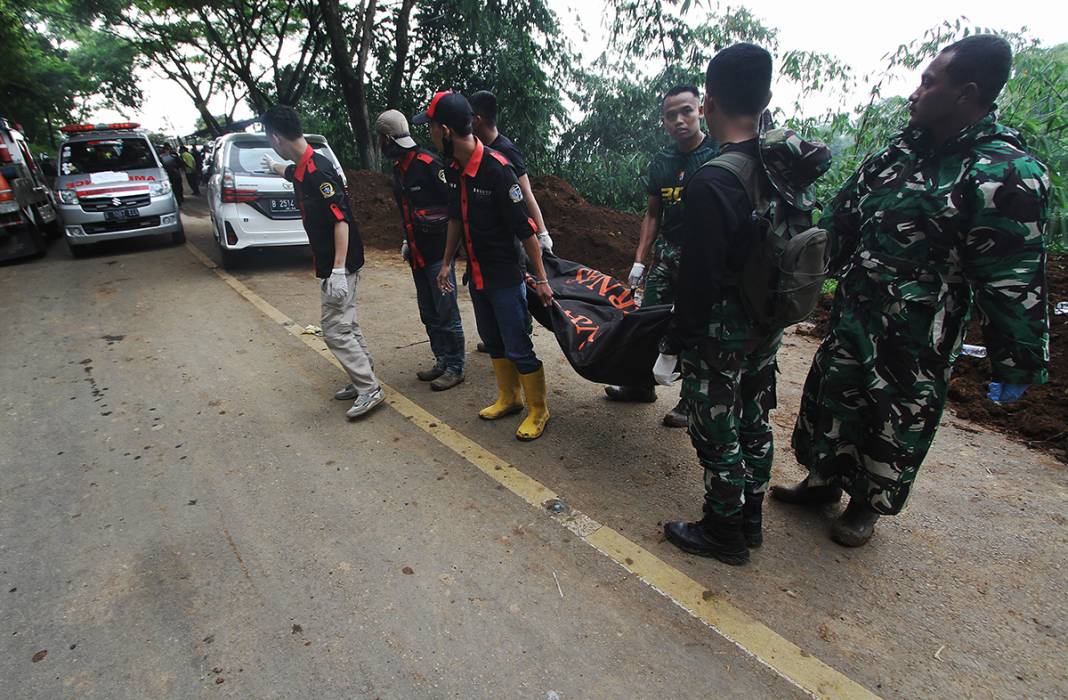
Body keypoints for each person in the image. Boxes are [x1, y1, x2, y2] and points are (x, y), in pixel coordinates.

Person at [774, 35, 1051, 548]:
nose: (915, 93)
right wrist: (796, 269)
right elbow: (840, 220)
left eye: (928, 82)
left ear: (966, 93)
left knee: (894, 415)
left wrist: (1017, 363)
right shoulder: (899, 153)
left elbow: (1013, 280)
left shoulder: (1005, 173)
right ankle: (822, 481)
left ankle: (866, 507)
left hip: (919, 332)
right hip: (856, 310)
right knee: (834, 396)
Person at [659, 43, 831, 565]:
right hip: (767, 319)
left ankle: (723, 531)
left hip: (722, 332)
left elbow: (700, 277)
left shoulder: (714, 179)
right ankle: (750, 518)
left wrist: (678, 341)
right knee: (754, 417)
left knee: (717, 432)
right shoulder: (783, 168)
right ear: (766, 100)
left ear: (708, 104)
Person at [414, 91, 555, 440]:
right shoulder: (454, 168)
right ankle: (509, 397)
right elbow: (456, 218)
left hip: (506, 278)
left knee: (517, 344)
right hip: (476, 276)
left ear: (445, 130)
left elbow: (526, 231)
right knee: (492, 341)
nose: (428, 133)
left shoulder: (497, 169)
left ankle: (539, 409)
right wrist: (446, 262)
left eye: (430, 127)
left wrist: (541, 279)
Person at [603, 85, 719, 428]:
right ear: (664, 122)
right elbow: (653, 214)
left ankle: (690, 402)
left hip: (702, 258)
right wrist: (640, 261)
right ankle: (641, 386)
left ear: (701, 110)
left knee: (695, 326)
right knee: (649, 320)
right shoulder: (662, 162)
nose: (679, 120)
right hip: (667, 254)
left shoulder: (717, 154)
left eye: (686, 111)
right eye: (671, 115)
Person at [260, 104, 385, 420]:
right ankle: (363, 379)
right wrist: (275, 167)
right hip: (334, 261)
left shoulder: (318, 169)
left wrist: (339, 270)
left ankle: (369, 388)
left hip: (340, 263)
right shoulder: (305, 166)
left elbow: (340, 220)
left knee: (332, 329)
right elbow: (295, 175)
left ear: (276, 137)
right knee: (347, 322)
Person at [376, 108, 466, 391]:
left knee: (446, 311)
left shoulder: (428, 164)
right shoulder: (398, 169)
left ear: (388, 138)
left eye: (381, 138)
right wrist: (406, 240)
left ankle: (455, 366)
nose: (380, 144)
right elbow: (408, 211)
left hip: (439, 256)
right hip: (417, 254)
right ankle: (441, 359)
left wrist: (451, 257)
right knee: (428, 312)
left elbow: (455, 209)